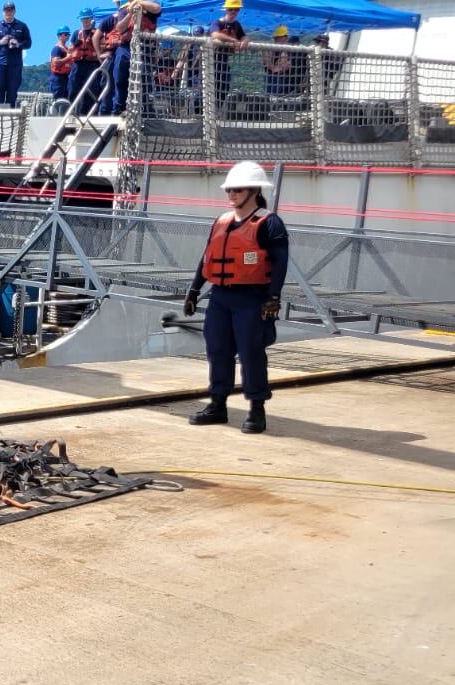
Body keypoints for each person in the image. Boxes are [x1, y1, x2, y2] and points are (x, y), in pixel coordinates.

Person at [182, 161, 289, 435]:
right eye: (228, 189)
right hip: (220, 298)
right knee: (217, 351)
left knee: (252, 354)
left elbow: (280, 264)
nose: (231, 194)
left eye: (237, 189)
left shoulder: (269, 223)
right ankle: (217, 405)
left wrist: (273, 298)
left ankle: (257, 410)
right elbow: (207, 257)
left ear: (253, 190)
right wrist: (194, 291)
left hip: (251, 298)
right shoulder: (222, 221)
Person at [98, 0, 163, 116]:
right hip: (126, 47)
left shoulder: (150, 7)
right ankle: (119, 106)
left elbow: (157, 8)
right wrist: (130, 14)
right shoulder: (124, 9)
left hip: (144, 48)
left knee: (144, 78)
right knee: (120, 76)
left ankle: (146, 109)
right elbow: (120, 28)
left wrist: (139, 3)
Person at [0, 3, 33, 106]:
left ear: (14, 11)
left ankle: (10, 116)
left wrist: (18, 44)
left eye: (11, 10)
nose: (9, 12)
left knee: (12, 91)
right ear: (3, 12)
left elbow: (28, 43)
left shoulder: (22, 26)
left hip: (15, 64)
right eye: (6, 10)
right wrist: (0, 42)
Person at [210, 0, 250, 106]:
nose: (234, 12)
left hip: (223, 60)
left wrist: (244, 41)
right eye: (231, 9)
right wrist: (234, 40)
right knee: (208, 86)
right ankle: (200, 112)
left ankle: (217, 110)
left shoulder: (237, 25)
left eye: (236, 9)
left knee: (224, 87)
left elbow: (244, 36)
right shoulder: (218, 22)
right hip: (210, 59)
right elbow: (215, 34)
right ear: (226, 10)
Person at [68, 9, 104, 114]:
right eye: (83, 19)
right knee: (73, 87)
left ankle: (89, 113)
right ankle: (72, 112)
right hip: (78, 64)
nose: (85, 21)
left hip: (92, 64)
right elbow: (70, 48)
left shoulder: (97, 33)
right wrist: (75, 44)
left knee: (92, 88)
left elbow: (102, 46)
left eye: (87, 18)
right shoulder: (76, 33)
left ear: (91, 19)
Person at [263, 26, 293, 96]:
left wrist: (275, 67)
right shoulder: (270, 49)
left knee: (276, 96)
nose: (276, 40)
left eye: (277, 38)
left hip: (280, 78)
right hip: (272, 76)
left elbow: (283, 66)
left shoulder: (286, 50)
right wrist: (274, 67)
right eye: (276, 38)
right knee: (270, 96)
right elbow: (267, 63)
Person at [50, 27, 75, 102]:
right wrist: (68, 58)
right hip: (57, 78)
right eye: (66, 34)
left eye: (68, 34)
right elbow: (56, 62)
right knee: (59, 99)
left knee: (66, 99)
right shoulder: (57, 49)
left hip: (66, 77)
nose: (68, 36)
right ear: (60, 36)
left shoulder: (67, 49)